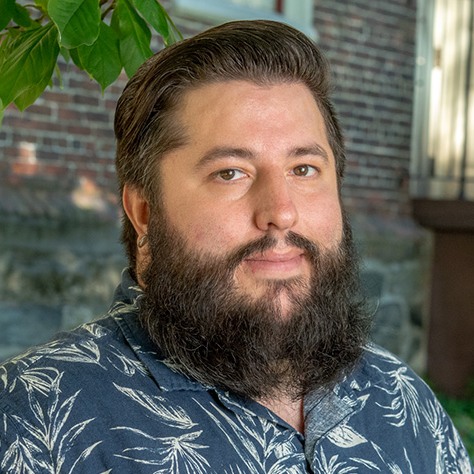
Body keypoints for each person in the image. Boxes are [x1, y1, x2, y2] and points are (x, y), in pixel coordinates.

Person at [0, 20, 471, 473]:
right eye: (230, 173)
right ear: (144, 213)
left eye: (304, 169)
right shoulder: (30, 421)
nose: (281, 211)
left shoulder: (403, 399)